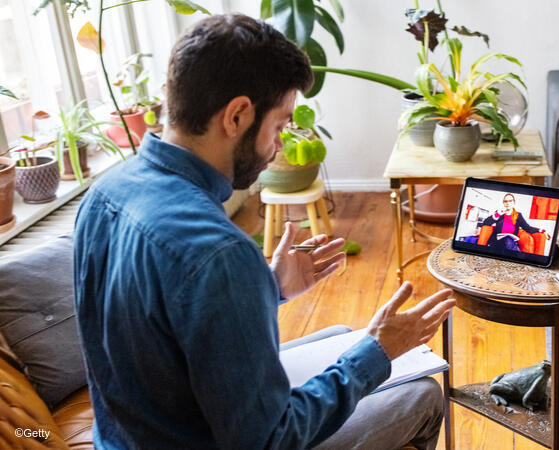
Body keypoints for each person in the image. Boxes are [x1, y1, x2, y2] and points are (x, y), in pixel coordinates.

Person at [73, 14, 455, 449]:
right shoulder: (219, 253)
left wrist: (266, 287)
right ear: (237, 116)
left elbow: (157, 324)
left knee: (336, 337)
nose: (278, 145)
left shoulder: (102, 195)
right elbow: (272, 439)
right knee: (421, 394)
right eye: (279, 125)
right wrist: (378, 352)